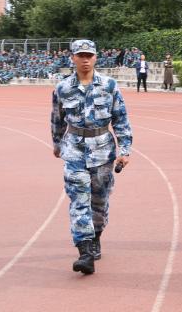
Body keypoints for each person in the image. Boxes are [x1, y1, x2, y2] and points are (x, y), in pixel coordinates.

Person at [50, 39, 132, 275]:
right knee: (78, 198)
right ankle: (85, 251)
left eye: (89, 55)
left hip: (103, 151)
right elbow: (57, 119)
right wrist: (57, 143)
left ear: (95, 57)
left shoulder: (109, 85)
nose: (85, 60)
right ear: (73, 58)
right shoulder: (62, 88)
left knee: (99, 201)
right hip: (74, 149)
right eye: (81, 55)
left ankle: (96, 236)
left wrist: (125, 150)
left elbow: (121, 118)